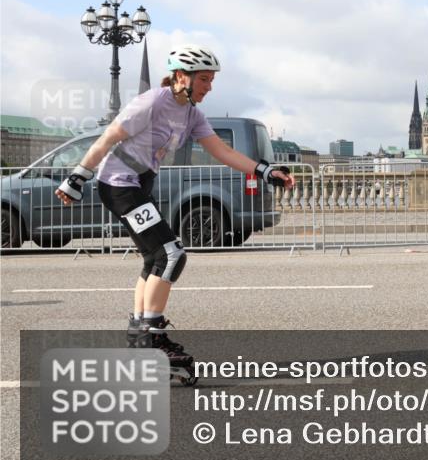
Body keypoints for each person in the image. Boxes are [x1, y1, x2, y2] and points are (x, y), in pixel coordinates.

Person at [55, 45, 294, 367]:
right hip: (119, 185)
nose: (210, 86)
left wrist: (265, 171)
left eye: (211, 80)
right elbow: (109, 137)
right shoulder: (153, 101)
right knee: (171, 254)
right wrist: (78, 176)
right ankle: (152, 338)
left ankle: (140, 334)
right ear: (182, 76)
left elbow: (221, 152)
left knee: (154, 258)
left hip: (140, 185)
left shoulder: (192, 114)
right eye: (205, 79)